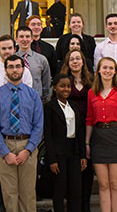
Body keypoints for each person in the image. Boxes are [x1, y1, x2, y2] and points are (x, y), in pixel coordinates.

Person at [0, 55, 43, 212]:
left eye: (18, 66)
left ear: (23, 69)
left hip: (28, 145)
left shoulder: (33, 95)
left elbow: (38, 125)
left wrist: (29, 149)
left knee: (28, 192)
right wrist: (5, 153)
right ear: (5, 70)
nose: (14, 69)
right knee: (9, 193)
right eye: (11, 67)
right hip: (5, 145)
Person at [0, 34, 32, 211]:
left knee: (24, 183)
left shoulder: (23, 71)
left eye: (10, 48)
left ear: (15, 48)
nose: (7, 51)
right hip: (1, 132)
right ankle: (0, 207)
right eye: (3, 48)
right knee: (0, 176)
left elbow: (26, 99)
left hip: (22, 132)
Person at [86, 57, 117, 212]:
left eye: (111, 68)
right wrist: (87, 143)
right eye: (104, 67)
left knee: (115, 184)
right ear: (98, 70)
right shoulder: (92, 93)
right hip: (98, 139)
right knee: (103, 184)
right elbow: (89, 120)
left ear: (115, 71)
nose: (107, 71)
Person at [44, 73, 87, 212]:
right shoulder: (49, 107)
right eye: (62, 86)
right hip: (58, 154)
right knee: (59, 190)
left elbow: (79, 132)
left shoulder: (74, 106)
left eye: (69, 86)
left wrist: (82, 155)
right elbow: (48, 135)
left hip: (74, 152)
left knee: (76, 189)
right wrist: (52, 159)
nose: (66, 89)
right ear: (55, 88)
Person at [60, 49, 93, 212]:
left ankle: (85, 205)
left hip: (89, 127)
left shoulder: (91, 80)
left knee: (87, 169)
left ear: (83, 62)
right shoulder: (64, 81)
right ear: (68, 62)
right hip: (70, 129)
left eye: (78, 58)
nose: (75, 61)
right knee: (73, 170)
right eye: (71, 59)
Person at [15, 26, 51, 101]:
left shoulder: (41, 59)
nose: (25, 39)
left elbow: (46, 83)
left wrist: (43, 99)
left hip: (36, 100)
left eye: (27, 36)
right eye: (21, 37)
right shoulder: (12, 60)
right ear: (16, 39)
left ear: (32, 39)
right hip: (16, 101)